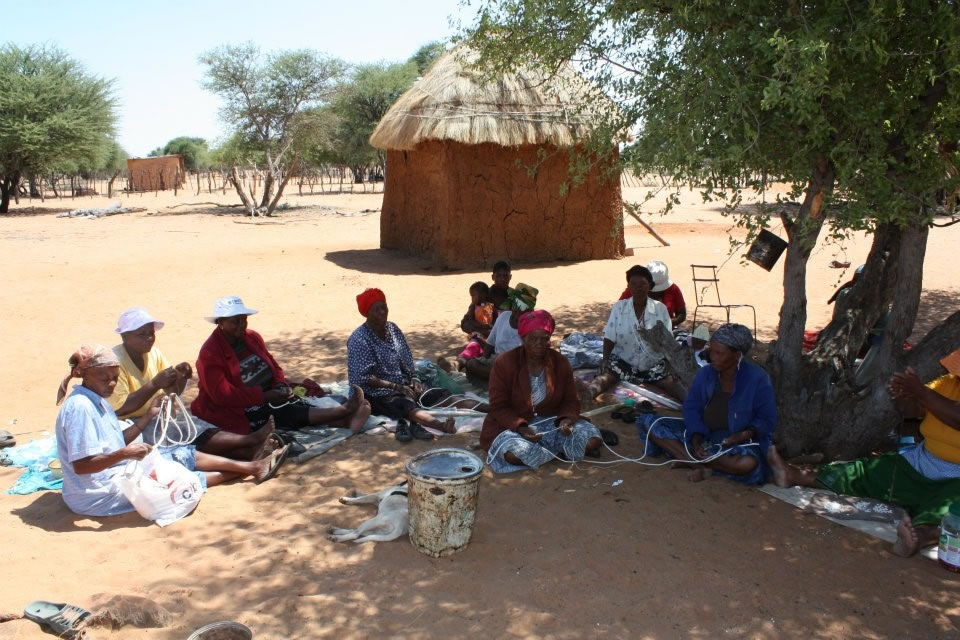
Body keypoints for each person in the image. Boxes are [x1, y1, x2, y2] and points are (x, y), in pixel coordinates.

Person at [767, 348, 960, 557]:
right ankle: (794, 475)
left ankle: (920, 535)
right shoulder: (948, 383)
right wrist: (904, 397)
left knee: (951, 508)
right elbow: (915, 411)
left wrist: (922, 392)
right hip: (923, 461)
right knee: (869, 472)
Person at [55, 345, 286, 518]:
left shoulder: (97, 399)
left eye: (115, 378)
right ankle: (251, 465)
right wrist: (125, 454)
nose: (111, 384)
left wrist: (147, 417)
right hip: (97, 494)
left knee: (180, 453)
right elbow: (82, 466)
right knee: (179, 481)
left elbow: (114, 442)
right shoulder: (81, 407)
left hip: (112, 473)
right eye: (104, 378)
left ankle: (250, 463)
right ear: (85, 375)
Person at [110, 307, 274, 459]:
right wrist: (154, 384)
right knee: (185, 434)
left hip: (158, 415)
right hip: (133, 425)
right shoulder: (115, 362)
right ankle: (250, 441)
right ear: (124, 336)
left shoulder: (154, 353)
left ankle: (249, 452)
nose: (149, 338)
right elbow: (121, 408)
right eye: (142, 334)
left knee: (196, 427)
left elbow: (172, 392)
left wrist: (181, 377)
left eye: (151, 333)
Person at [193, 296, 371, 435]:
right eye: (235, 321)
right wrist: (264, 396)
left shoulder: (251, 337)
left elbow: (273, 365)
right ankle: (343, 412)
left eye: (244, 319)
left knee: (293, 399)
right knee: (280, 411)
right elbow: (223, 395)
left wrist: (279, 384)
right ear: (220, 322)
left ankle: (343, 421)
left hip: (268, 393)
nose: (241, 325)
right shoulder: (210, 353)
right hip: (239, 407)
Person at [640, 323, 777, 484]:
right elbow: (692, 407)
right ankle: (699, 465)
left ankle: (689, 459)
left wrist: (745, 434)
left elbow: (767, 418)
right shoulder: (706, 373)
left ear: (737, 355)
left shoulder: (758, 378)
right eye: (712, 351)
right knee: (651, 423)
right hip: (703, 434)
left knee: (748, 463)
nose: (713, 357)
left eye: (719, 353)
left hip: (735, 440)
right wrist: (696, 437)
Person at [481, 310, 602, 473]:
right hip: (512, 427)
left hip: (552, 422)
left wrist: (565, 419)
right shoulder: (505, 363)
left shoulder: (560, 362)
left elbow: (570, 400)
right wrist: (521, 427)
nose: (539, 344)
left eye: (544, 339)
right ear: (523, 338)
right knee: (513, 453)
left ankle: (545, 453)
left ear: (549, 339)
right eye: (533, 339)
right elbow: (498, 407)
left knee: (592, 440)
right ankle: (556, 452)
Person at [347, 288, 455, 442]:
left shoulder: (392, 329)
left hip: (399, 383)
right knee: (404, 404)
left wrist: (414, 378)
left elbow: (406, 358)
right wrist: (396, 387)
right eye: (376, 309)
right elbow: (364, 378)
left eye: (384, 307)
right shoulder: (359, 339)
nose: (382, 312)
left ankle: (487, 408)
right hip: (374, 392)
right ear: (367, 313)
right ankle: (441, 425)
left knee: (437, 394)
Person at [588, 265, 685, 401]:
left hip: (653, 364)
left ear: (650, 286)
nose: (638, 288)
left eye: (642, 284)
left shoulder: (660, 309)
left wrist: (672, 365)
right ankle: (581, 399)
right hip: (623, 361)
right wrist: (605, 359)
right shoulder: (619, 307)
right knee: (602, 380)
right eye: (633, 284)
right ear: (628, 286)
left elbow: (667, 342)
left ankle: (695, 406)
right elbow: (609, 336)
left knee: (674, 385)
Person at [464, 283, 539, 381]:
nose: (518, 314)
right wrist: (484, 359)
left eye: (523, 311)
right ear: (512, 306)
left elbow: (531, 356)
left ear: (530, 311)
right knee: (471, 364)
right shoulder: (504, 317)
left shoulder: (532, 326)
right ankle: (499, 378)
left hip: (515, 365)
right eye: (516, 310)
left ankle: (499, 379)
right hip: (497, 360)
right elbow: (490, 344)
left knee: (518, 374)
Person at [438, 282, 496, 373]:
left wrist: (490, 329)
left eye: (473, 296)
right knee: (473, 346)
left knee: (480, 350)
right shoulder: (474, 307)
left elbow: (496, 322)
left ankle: (457, 364)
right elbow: (467, 322)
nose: (472, 299)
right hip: (479, 335)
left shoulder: (492, 307)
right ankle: (457, 364)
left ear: (483, 295)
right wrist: (480, 327)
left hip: (491, 337)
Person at [618, 260, 686, 325]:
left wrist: (667, 323)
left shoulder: (673, 289)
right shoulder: (634, 290)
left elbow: (682, 314)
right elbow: (618, 313)